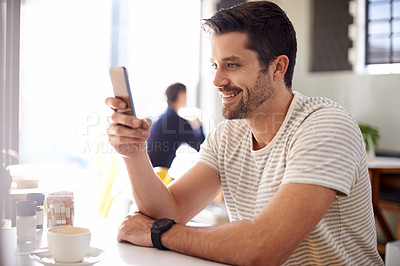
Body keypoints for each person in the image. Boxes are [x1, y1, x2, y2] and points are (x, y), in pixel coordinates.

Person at [105, 1, 383, 265]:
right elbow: (169, 211)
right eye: (215, 65)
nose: (217, 80)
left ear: (278, 67)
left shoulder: (324, 125)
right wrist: (133, 153)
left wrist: (160, 233)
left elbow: (263, 248)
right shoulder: (229, 136)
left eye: (232, 65)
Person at [147, 82, 205, 169]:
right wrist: (199, 126)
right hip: (159, 174)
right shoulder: (178, 121)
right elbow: (202, 148)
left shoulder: (163, 118)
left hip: (150, 169)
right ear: (181, 94)